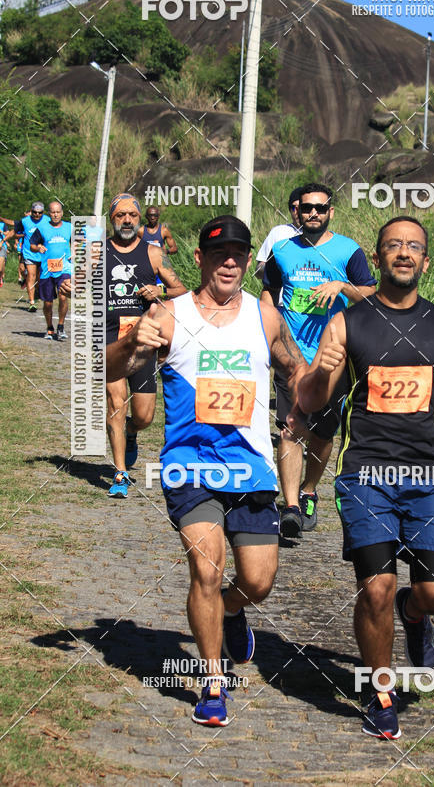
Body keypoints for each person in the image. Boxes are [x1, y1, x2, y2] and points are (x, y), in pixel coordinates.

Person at [296, 216, 434, 739]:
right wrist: (322, 370)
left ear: (425, 261)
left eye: (413, 246)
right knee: (376, 587)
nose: (403, 253)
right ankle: (380, 692)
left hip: (429, 478)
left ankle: (414, 612)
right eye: (393, 245)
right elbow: (311, 401)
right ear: (378, 257)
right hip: (366, 476)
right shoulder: (348, 323)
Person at [106, 215, 307, 727]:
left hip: (252, 469)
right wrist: (131, 342)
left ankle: (233, 609)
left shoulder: (264, 316)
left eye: (238, 254)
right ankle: (213, 682)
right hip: (190, 467)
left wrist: (319, 388)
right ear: (199, 259)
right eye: (219, 254)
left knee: (258, 581)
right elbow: (108, 369)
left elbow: (296, 370)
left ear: (247, 260)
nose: (229, 263)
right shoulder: (168, 315)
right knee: (207, 568)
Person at [261, 183, 376, 537]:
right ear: (298, 211)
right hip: (292, 356)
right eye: (307, 208)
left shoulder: (348, 251)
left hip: (334, 357)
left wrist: (341, 287)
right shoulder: (282, 250)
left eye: (320, 208)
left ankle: (309, 490)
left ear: (330, 212)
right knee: (291, 429)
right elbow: (268, 292)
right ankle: (291, 507)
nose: (313, 213)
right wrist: (270, 331)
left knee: (323, 434)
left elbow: (371, 295)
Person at [105, 193, 186, 497]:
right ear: (112, 218)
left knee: (144, 416)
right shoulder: (97, 253)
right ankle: (120, 473)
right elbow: (79, 282)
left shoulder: (153, 253)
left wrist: (160, 290)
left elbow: (182, 290)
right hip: (109, 337)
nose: (127, 220)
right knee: (116, 402)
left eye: (132, 215)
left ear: (139, 220)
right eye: (120, 215)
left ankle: (131, 431)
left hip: (143, 341)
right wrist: (69, 285)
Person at [29, 201, 72, 340]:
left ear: (62, 213)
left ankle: (61, 326)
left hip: (64, 268)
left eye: (58, 212)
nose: (55, 215)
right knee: (48, 302)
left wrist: (76, 251)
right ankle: (49, 328)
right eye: (53, 212)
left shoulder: (69, 227)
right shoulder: (41, 228)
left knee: (63, 295)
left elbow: (81, 241)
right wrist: (38, 248)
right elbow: (32, 245)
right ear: (49, 213)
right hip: (47, 269)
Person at [254, 186, 302, 282]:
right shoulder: (278, 232)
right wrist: (275, 267)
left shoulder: (320, 235)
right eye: (294, 208)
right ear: (290, 210)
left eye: (302, 207)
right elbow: (258, 271)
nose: (297, 212)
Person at [13, 203, 49, 312]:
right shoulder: (24, 221)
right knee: (31, 276)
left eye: (40, 213)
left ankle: (37, 291)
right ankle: (32, 303)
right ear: (31, 211)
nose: (37, 214)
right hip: (29, 253)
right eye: (35, 212)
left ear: (43, 212)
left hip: (43, 254)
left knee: (39, 278)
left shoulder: (48, 220)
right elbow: (15, 232)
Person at [0, 219, 14, 286]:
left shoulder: (3, 224)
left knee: (1, 266)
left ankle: (1, 276)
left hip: (2, 246)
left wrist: (1, 232)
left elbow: (8, 234)